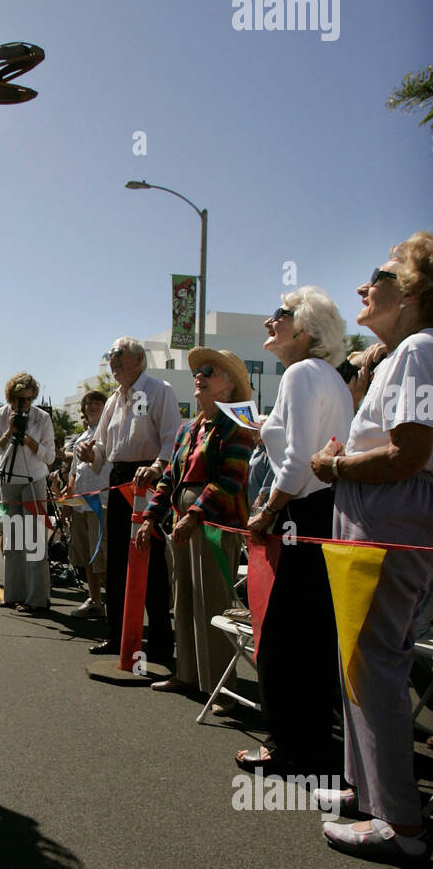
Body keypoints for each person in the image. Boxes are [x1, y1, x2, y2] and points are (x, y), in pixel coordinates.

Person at [310, 234, 433, 863]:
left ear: (411, 290)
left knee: (377, 661)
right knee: (360, 657)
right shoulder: (399, 353)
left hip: (388, 517)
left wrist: (338, 467)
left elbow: (410, 453)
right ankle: (369, 792)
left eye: (378, 274)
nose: (363, 287)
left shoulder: (418, 348)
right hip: (376, 515)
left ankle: (400, 823)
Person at [235, 288, 354, 777]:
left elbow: (300, 454)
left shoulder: (302, 373)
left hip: (300, 517)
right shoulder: (326, 377)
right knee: (311, 637)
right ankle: (311, 744)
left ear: (304, 331)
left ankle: (287, 747)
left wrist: (269, 506)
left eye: (279, 315)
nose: (269, 321)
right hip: (323, 512)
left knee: (284, 638)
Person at [136, 348, 253, 708]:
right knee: (183, 598)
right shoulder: (189, 427)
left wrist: (194, 515)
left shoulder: (237, 426)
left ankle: (221, 687)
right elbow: (170, 477)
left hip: (215, 524)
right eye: (198, 371)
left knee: (213, 602)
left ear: (229, 386)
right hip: (183, 523)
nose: (199, 376)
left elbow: (231, 480)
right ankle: (186, 673)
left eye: (210, 371)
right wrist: (151, 517)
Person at [77, 337, 181, 659]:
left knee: (151, 565)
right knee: (118, 562)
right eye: (110, 356)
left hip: (149, 480)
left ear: (139, 358)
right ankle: (119, 637)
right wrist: (88, 452)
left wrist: (156, 468)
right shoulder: (111, 401)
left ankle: (162, 643)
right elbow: (102, 449)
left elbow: (172, 440)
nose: (114, 361)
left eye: (119, 355)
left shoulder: (159, 390)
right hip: (120, 479)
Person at [0, 372, 56, 612]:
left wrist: (27, 439)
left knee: (34, 539)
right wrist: (8, 432)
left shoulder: (42, 418)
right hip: (8, 479)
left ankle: (37, 599)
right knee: (14, 539)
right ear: (10, 398)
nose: (24, 404)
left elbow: (50, 456)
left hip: (33, 479)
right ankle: (13, 594)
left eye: (28, 399)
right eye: (19, 399)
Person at [67, 391, 111, 617]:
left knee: (101, 557)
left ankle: (116, 609)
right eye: (89, 403)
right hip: (80, 505)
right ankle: (95, 601)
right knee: (86, 557)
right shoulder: (81, 437)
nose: (92, 407)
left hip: (100, 504)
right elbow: (74, 472)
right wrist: (69, 497)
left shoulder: (110, 432)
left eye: (97, 403)